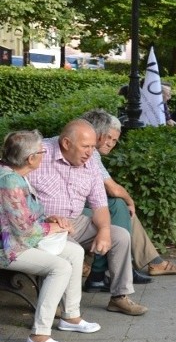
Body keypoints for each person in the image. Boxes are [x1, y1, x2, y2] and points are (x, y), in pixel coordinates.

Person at [28, 120, 148, 316]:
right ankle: (61, 306)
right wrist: (43, 218)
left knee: (120, 236)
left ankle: (119, 297)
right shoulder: (40, 154)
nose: (90, 152)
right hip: (47, 225)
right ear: (66, 143)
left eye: (93, 147)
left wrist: (104, 231)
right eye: (85, 147)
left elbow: (99, 203)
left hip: (76, 221)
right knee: (72, 250)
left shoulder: (91, 162)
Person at [1, 130, 101, 342]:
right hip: (8, 248)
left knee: (74, 252)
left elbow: (24, 215)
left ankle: (71, 317)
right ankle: (39, 335)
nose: (44, 154)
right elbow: (24, 231)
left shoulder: (18, 174)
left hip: (19, 240)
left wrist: (48, 218)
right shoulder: (9, 181)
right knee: (60, 267)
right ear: (31, 158)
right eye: (41, 151)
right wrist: (52, 228)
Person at [80, 110, 176, 286]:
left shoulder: (90, 153)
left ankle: (134, 266)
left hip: (79, 204)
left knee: (120, 209)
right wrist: (131, 201)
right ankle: (121, 270)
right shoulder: (89, 152)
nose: (110, 143)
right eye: (108, 137)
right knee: (119, 206)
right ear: (97, 134)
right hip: (67, 211)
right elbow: (113, 188)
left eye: (115, 140)